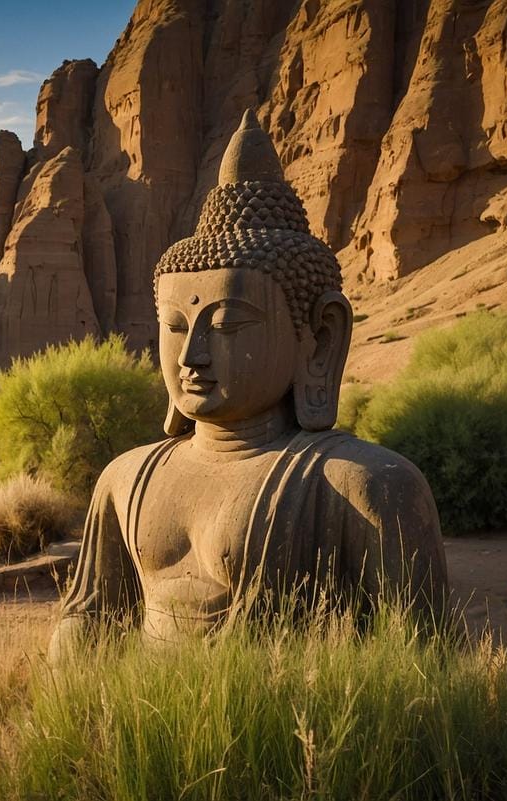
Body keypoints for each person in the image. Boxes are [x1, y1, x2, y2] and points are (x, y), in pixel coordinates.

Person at [50, 110, 448, 655]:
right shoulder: (126, 477)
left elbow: (422, 662)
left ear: (320, 339)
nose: (192, 356)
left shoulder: (363, 485)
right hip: (139, 730)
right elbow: (90, 615)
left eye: (228, 325)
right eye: (174, 326)